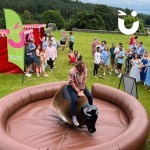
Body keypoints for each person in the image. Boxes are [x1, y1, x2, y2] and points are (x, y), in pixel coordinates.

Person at [67, 61, 93, 126]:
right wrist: (78, 92)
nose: (83, 70)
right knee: (75, 100)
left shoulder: (84, 69)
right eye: (82, 69)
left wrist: (82, 90)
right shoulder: (72, 71)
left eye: (84, 69)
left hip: (80, 85)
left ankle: (91, 110)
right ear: (78, 67)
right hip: (72, 86)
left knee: (90, 96)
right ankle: (74, 117)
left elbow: (84, 80)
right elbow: (71, 83)